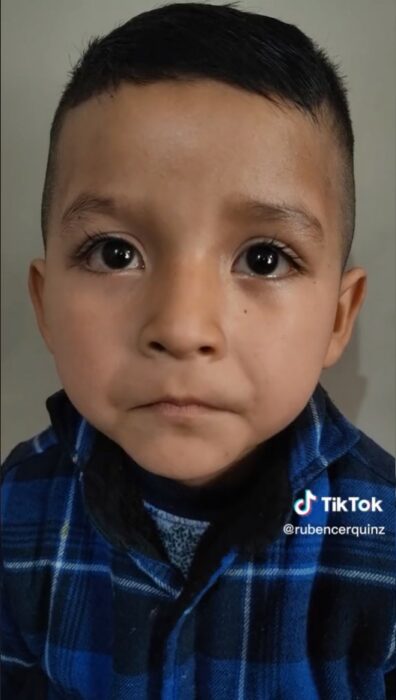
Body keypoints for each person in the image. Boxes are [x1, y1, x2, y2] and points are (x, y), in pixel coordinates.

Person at [1, 3, 395, 698]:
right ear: (45, 305)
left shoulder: (382, 531)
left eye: (265, 259)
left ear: (339, 318)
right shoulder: (16, 509)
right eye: (115, 252)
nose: (183, 328)